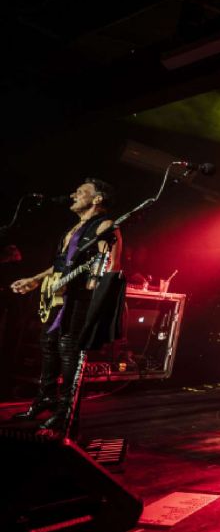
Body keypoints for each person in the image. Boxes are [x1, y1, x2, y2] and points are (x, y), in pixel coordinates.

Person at [9, 179, 122, 438]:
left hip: (80, 300)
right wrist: (36, 280)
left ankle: (65, 413)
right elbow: (61, 266)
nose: (73, 194)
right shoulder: (73, 229)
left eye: (81, 192)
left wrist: (93, 289)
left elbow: (111, 266)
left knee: (68, 350)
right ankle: (45, 399)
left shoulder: (104, 226)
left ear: (97, 199)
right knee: (48, 344)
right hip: (60, 299)